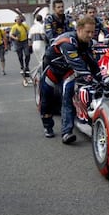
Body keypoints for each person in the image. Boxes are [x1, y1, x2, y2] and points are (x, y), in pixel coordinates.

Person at [39, 16, 104, 144]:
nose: (91, 35)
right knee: (46, 98)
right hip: (52, 70)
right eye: (88, 32)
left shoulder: (88, 43)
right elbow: (79, 65)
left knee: (67, 96)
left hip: (69, 71)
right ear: (79, 30)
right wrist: (92, 79)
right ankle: (47, 126)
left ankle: (66, 132)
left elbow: (93, 64)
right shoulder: (68, 41)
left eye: (93, 32)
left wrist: (102, 80)